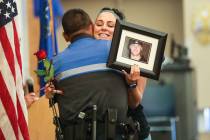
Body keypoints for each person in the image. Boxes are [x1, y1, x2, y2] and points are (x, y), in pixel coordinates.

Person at [45, 8, 150, 140]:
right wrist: (50, 92)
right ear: (91, 28)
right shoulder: (60, 61)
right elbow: (52, 90)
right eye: (99, 24)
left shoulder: (128, 54)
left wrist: (132, 84)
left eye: (110, 25)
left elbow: (135, 102)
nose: (104, 28)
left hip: (133, 127)